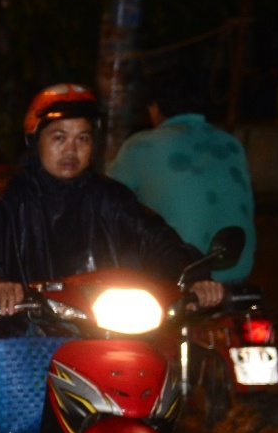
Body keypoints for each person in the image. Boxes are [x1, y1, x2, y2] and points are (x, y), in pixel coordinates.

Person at [0, 82, 223, 433]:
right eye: (59, 138)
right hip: (25, 322)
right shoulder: (5, 198)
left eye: (83, 138)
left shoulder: (110, 199)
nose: (71, 149)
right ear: (35, 141)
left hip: (97, 324)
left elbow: (159, 240)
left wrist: (198, 276)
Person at [107, 76, 255, 283]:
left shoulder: (141, 145)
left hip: (180, 275)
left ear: (155, 107)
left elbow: (107, 205)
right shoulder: (232, 144)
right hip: (237, 270)